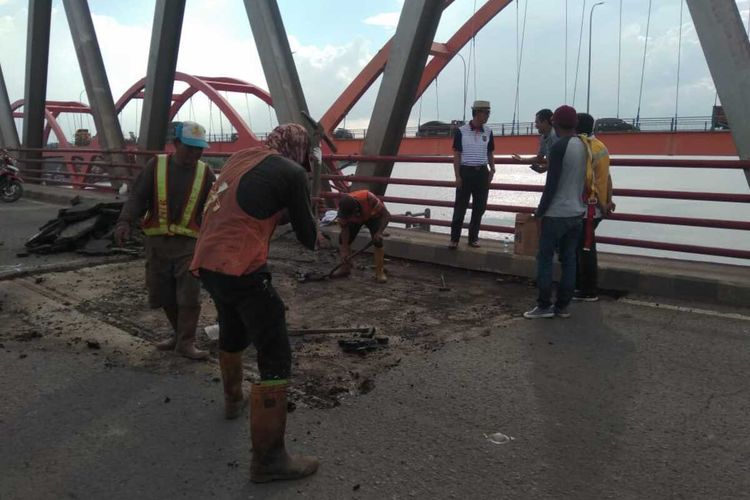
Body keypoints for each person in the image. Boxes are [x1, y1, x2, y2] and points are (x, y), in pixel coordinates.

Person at [189, 123, 319, 483]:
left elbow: (255, 206)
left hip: (209, 261)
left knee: (232, 325)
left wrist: (295, 206)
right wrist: (309, 209)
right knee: (275, 349)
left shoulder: (242, 158)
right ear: (300, 149)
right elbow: (309, 240)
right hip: (243, 266)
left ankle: (233, 400)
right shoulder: (293, 172)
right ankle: (269, 460)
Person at [114, 121, 215, 359]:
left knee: (189, 295)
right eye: (190, 148)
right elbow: (138, 196)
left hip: (189, 244)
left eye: (199, 149)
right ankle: (178, 336)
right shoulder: (156, 166)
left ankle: (186, 342)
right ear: (176, 144)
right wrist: (124, 221)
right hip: (157, 244)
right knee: (163, 293)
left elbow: (215, 207)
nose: (195, 153)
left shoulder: (206, 173)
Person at [524, 105, 587, 319]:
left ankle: (543, 306)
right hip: (577, 213)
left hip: (555, 213)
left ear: (555, 123)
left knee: (544, 258)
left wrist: (539, 212)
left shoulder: (559, 147)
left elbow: (551, 184)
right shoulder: (583, 145)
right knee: (569, 260)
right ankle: (562, 307)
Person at [574, 113, 616, 302]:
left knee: (585, 250)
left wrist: (601, 204)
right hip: (597, 208)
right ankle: (584, 287)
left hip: (588, 209)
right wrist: (608, 202)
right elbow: (606, 177)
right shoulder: (601, 146)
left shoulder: (585, 148)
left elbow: (589, 182)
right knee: (586, 248)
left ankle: (588, 290)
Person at [448, 99, 496, 249]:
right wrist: (457, 176)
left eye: (489, 113)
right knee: (460, 207)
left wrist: (492, 168)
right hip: (466, 171)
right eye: (486, 113)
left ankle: (473, 238)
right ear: (478, 113)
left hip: (482, 171)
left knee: (479, 207)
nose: (488, 116)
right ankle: (454, 239)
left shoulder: (488, 131)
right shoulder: (461, 131)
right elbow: (457, 154)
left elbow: (489, 152)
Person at [333, 190, 390, 283]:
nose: (348, 218)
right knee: (342, 240)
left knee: (378, 241)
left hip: (373, 216)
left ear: (355, 210)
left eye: (350, 216)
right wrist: (344, 250)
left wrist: (379, 232)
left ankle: (380, 272)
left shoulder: (368, 197)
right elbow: (345, 229)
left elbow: (386, 215)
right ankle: (345, 268)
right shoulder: (342, 212)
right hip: (356, 220)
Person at [512, 108, 557, 173]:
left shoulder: (555, 136)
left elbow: (561, 160)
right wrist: (521, 159)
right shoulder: (543, 138)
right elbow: (539, 157)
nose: (536, 126)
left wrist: (545, 168)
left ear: (545, 122)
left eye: (537, 122)